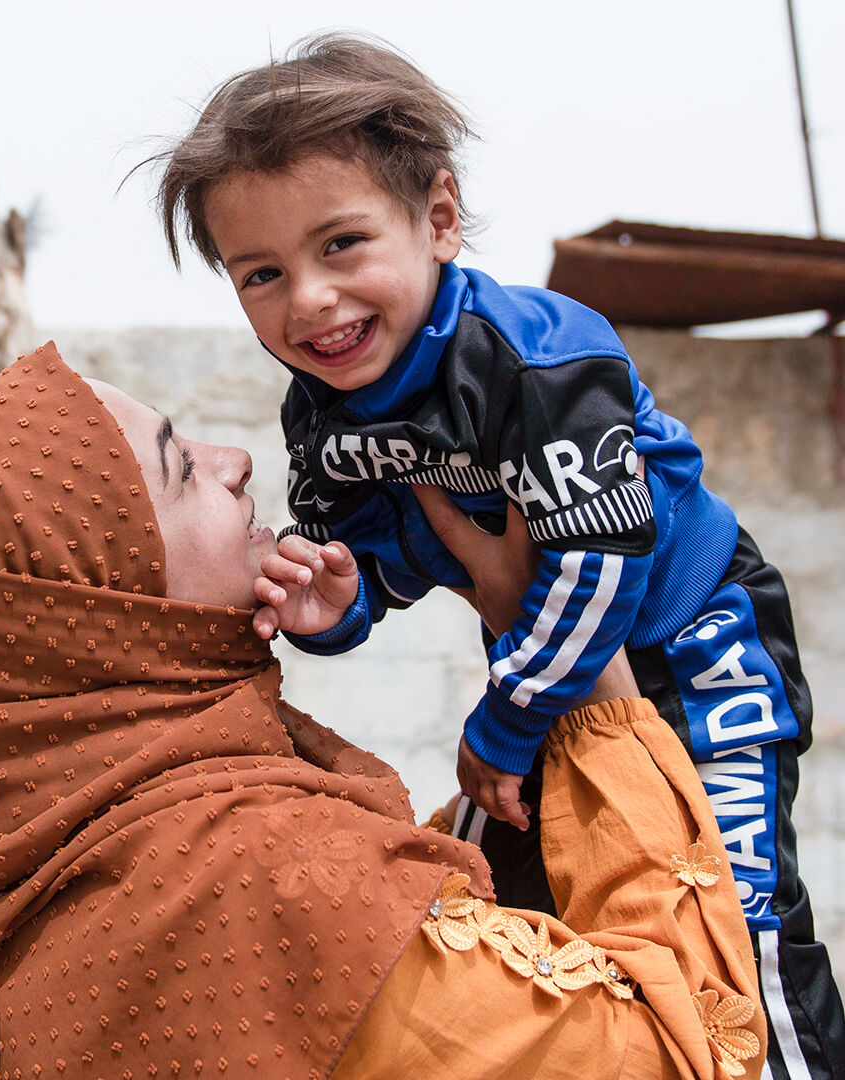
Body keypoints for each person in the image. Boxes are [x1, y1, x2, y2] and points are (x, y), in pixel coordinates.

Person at [151, 34, 844, 1076]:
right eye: (263, 273)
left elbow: (603, 559)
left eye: (341, 245)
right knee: (475, 887)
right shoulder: (323, 409)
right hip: (540, 659)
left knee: (733, 934)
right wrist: (337, 603)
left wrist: (506, 726)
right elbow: (385, 558)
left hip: (697, 648)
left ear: (437, 218)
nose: (310, 301)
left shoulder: (541, 354)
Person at [0, 344, 766, 1078]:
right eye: (181, 469)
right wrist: (580, 668)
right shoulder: (247, 895)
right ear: (102, 613)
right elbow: (688, 1051)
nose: (233, 461)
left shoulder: (34, 876)